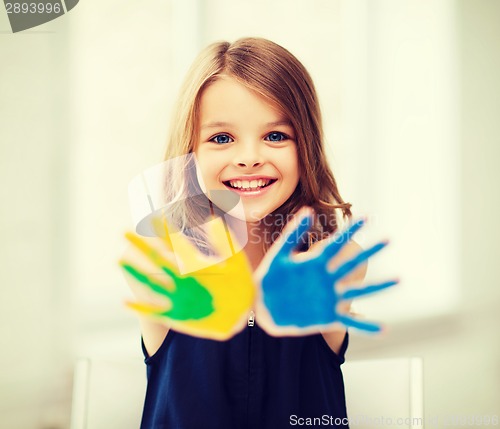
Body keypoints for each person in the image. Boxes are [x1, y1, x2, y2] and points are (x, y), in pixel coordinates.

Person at [128, 37, 372, 429]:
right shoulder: (162, 261)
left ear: (304, 146)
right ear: (190, 152)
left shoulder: (333, 264)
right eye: (221, 138)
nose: (248, 157)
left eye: (275, 136)